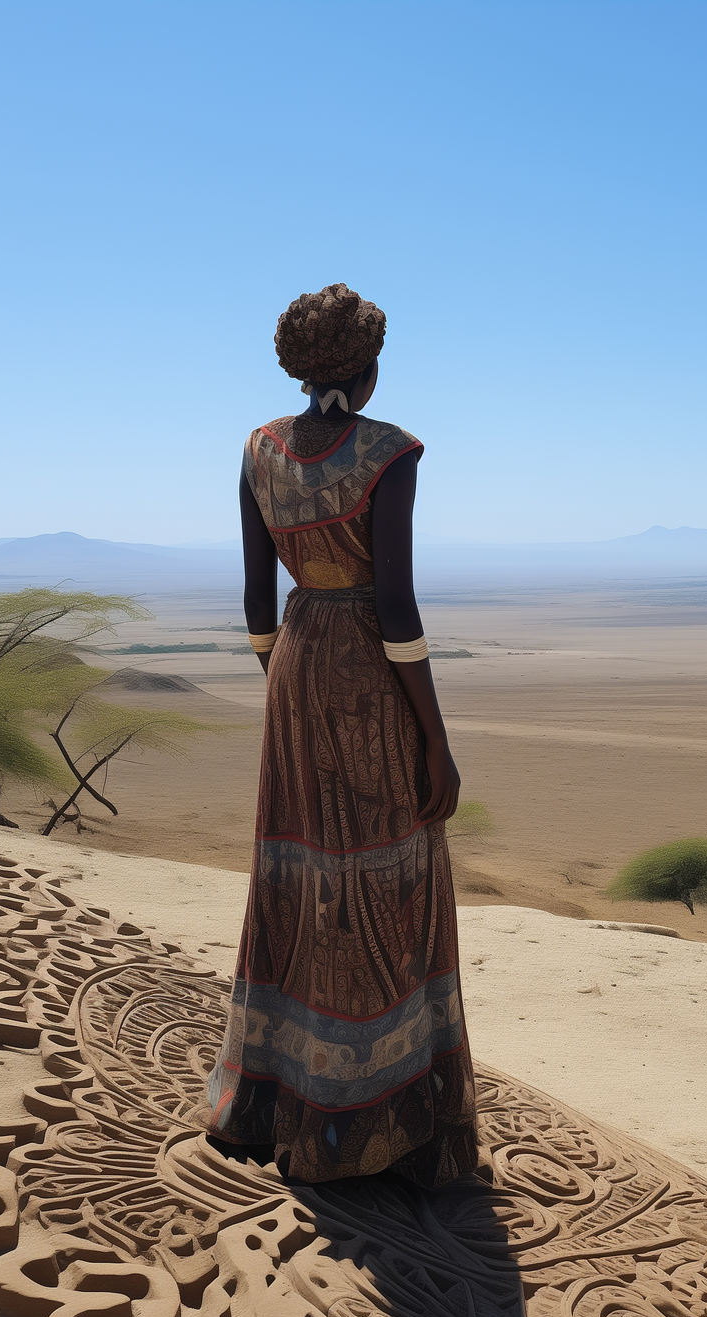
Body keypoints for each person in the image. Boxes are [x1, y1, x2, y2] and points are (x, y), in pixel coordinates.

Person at [205, 283, 479, 1186]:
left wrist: (290, 676)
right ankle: (378, 1122)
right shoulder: (389, 454)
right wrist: (433, 739)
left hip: (295, 662)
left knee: (302, 868)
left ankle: (272, 1099)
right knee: (383, 874)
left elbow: (255, 604)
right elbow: (397, 609)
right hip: (369, 673)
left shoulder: (257, 451)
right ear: (367, 367)